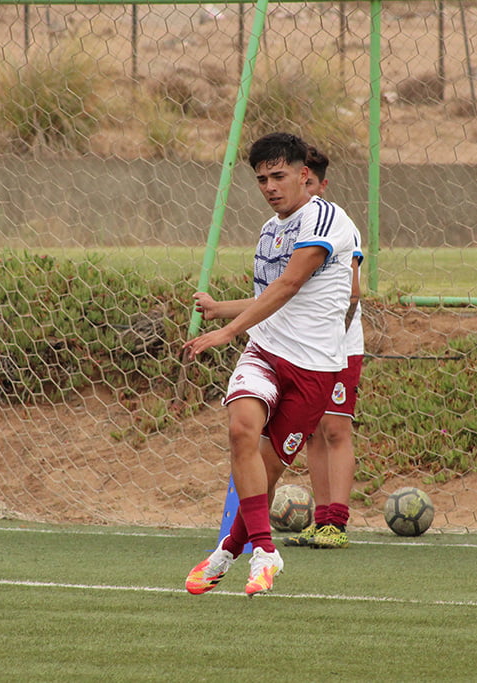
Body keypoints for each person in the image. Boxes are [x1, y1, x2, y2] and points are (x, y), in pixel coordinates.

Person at [182, 132, 357, 595]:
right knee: (241, 429)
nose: (270, 187)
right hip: (264, 351)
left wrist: (225, 332)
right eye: (262, 179)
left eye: (278, 176)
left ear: (304, 175)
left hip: (314, 366)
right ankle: (264, 550)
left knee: (269, 470)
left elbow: (290, 285)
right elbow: (268, 296)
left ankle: (228, 550)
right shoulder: (269, 230)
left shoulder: (326, 219)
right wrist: (222, 312)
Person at [283, 145, 363, 550]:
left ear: (320, 184)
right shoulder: (288, 229)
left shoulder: (337, 224)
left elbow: (353, 292)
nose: (305, 191)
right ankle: (320, 520)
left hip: (338, 345)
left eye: (311, 183)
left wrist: (334, 340)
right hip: (306, 346)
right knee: (312, 431)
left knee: (335, 428)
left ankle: (337, 522)